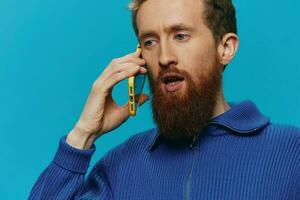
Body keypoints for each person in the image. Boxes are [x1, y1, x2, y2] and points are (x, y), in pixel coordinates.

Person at [29, 0, 300, 199]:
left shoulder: (291, 152)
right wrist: (83, 134)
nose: (164, 57)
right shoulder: (120, 166)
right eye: (149, 42)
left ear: (225, 48)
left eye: (180, 36)